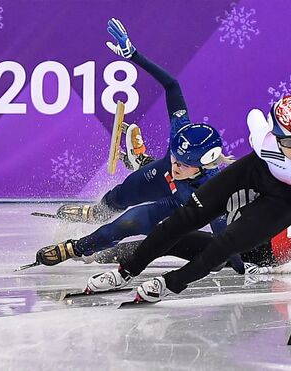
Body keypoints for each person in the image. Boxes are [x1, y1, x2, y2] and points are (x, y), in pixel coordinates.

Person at [87, 92, 291, 302]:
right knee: (185, 217)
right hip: (256, 171)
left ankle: (172, 283)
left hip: (289, 200)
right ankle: (126, 271)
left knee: (226, 243)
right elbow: (254, 116)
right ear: (275, 136)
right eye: (287, 141)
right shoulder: (265, 142)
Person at [32, 18, 238, 269]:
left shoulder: (210, 188)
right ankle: (107, 199)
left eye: (184, 164)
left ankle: (76, 247)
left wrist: (236, 262)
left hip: (175, 204)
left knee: (126, 225)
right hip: (158, 177)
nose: (177, 164)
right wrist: (134, 55)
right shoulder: (180, 131)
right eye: (175, 156)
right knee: (123, 193)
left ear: (203, 167)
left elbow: (223, 236)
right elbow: (172, 85)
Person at [95, 166, 291, 277]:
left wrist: (285, 267)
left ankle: (103, 254)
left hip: (251, 252)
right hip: (252, 220)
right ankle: (170, 172)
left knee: (181, 242)